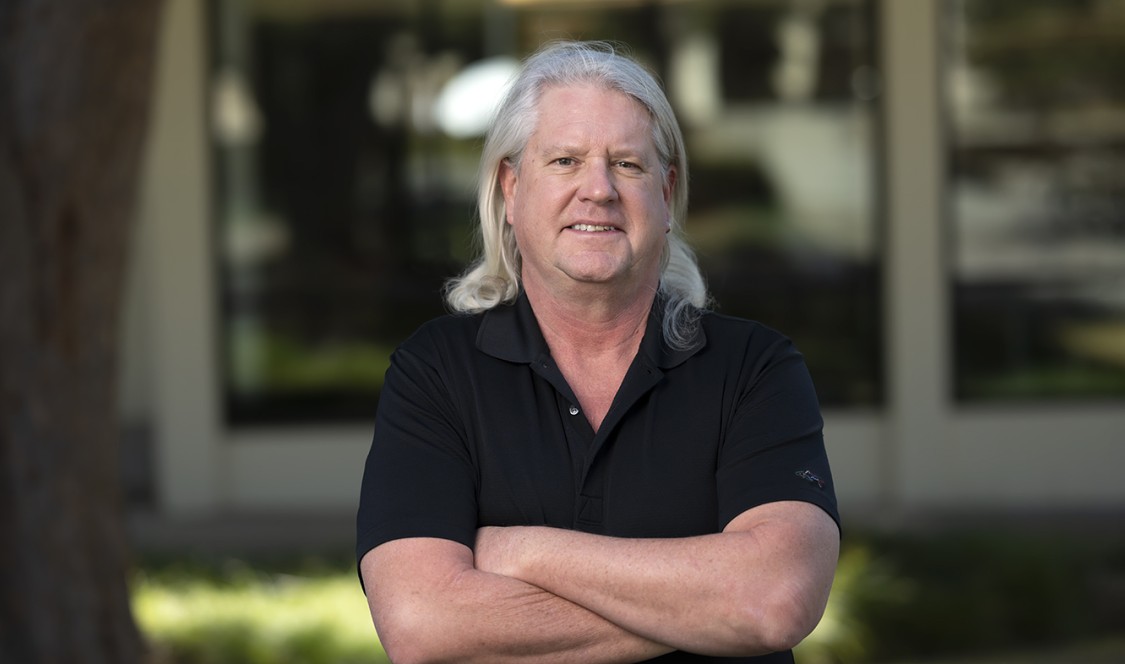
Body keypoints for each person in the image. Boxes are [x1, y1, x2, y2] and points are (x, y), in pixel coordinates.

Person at [356, 40, 840, 663]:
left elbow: (775, 598)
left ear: (666, 195)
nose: (598, 189)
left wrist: (524, 552)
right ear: (511, 188)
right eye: (564, 160)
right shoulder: (435, 373)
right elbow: (422, 623)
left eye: (628, 165)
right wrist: (705, 606)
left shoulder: (754, 368)